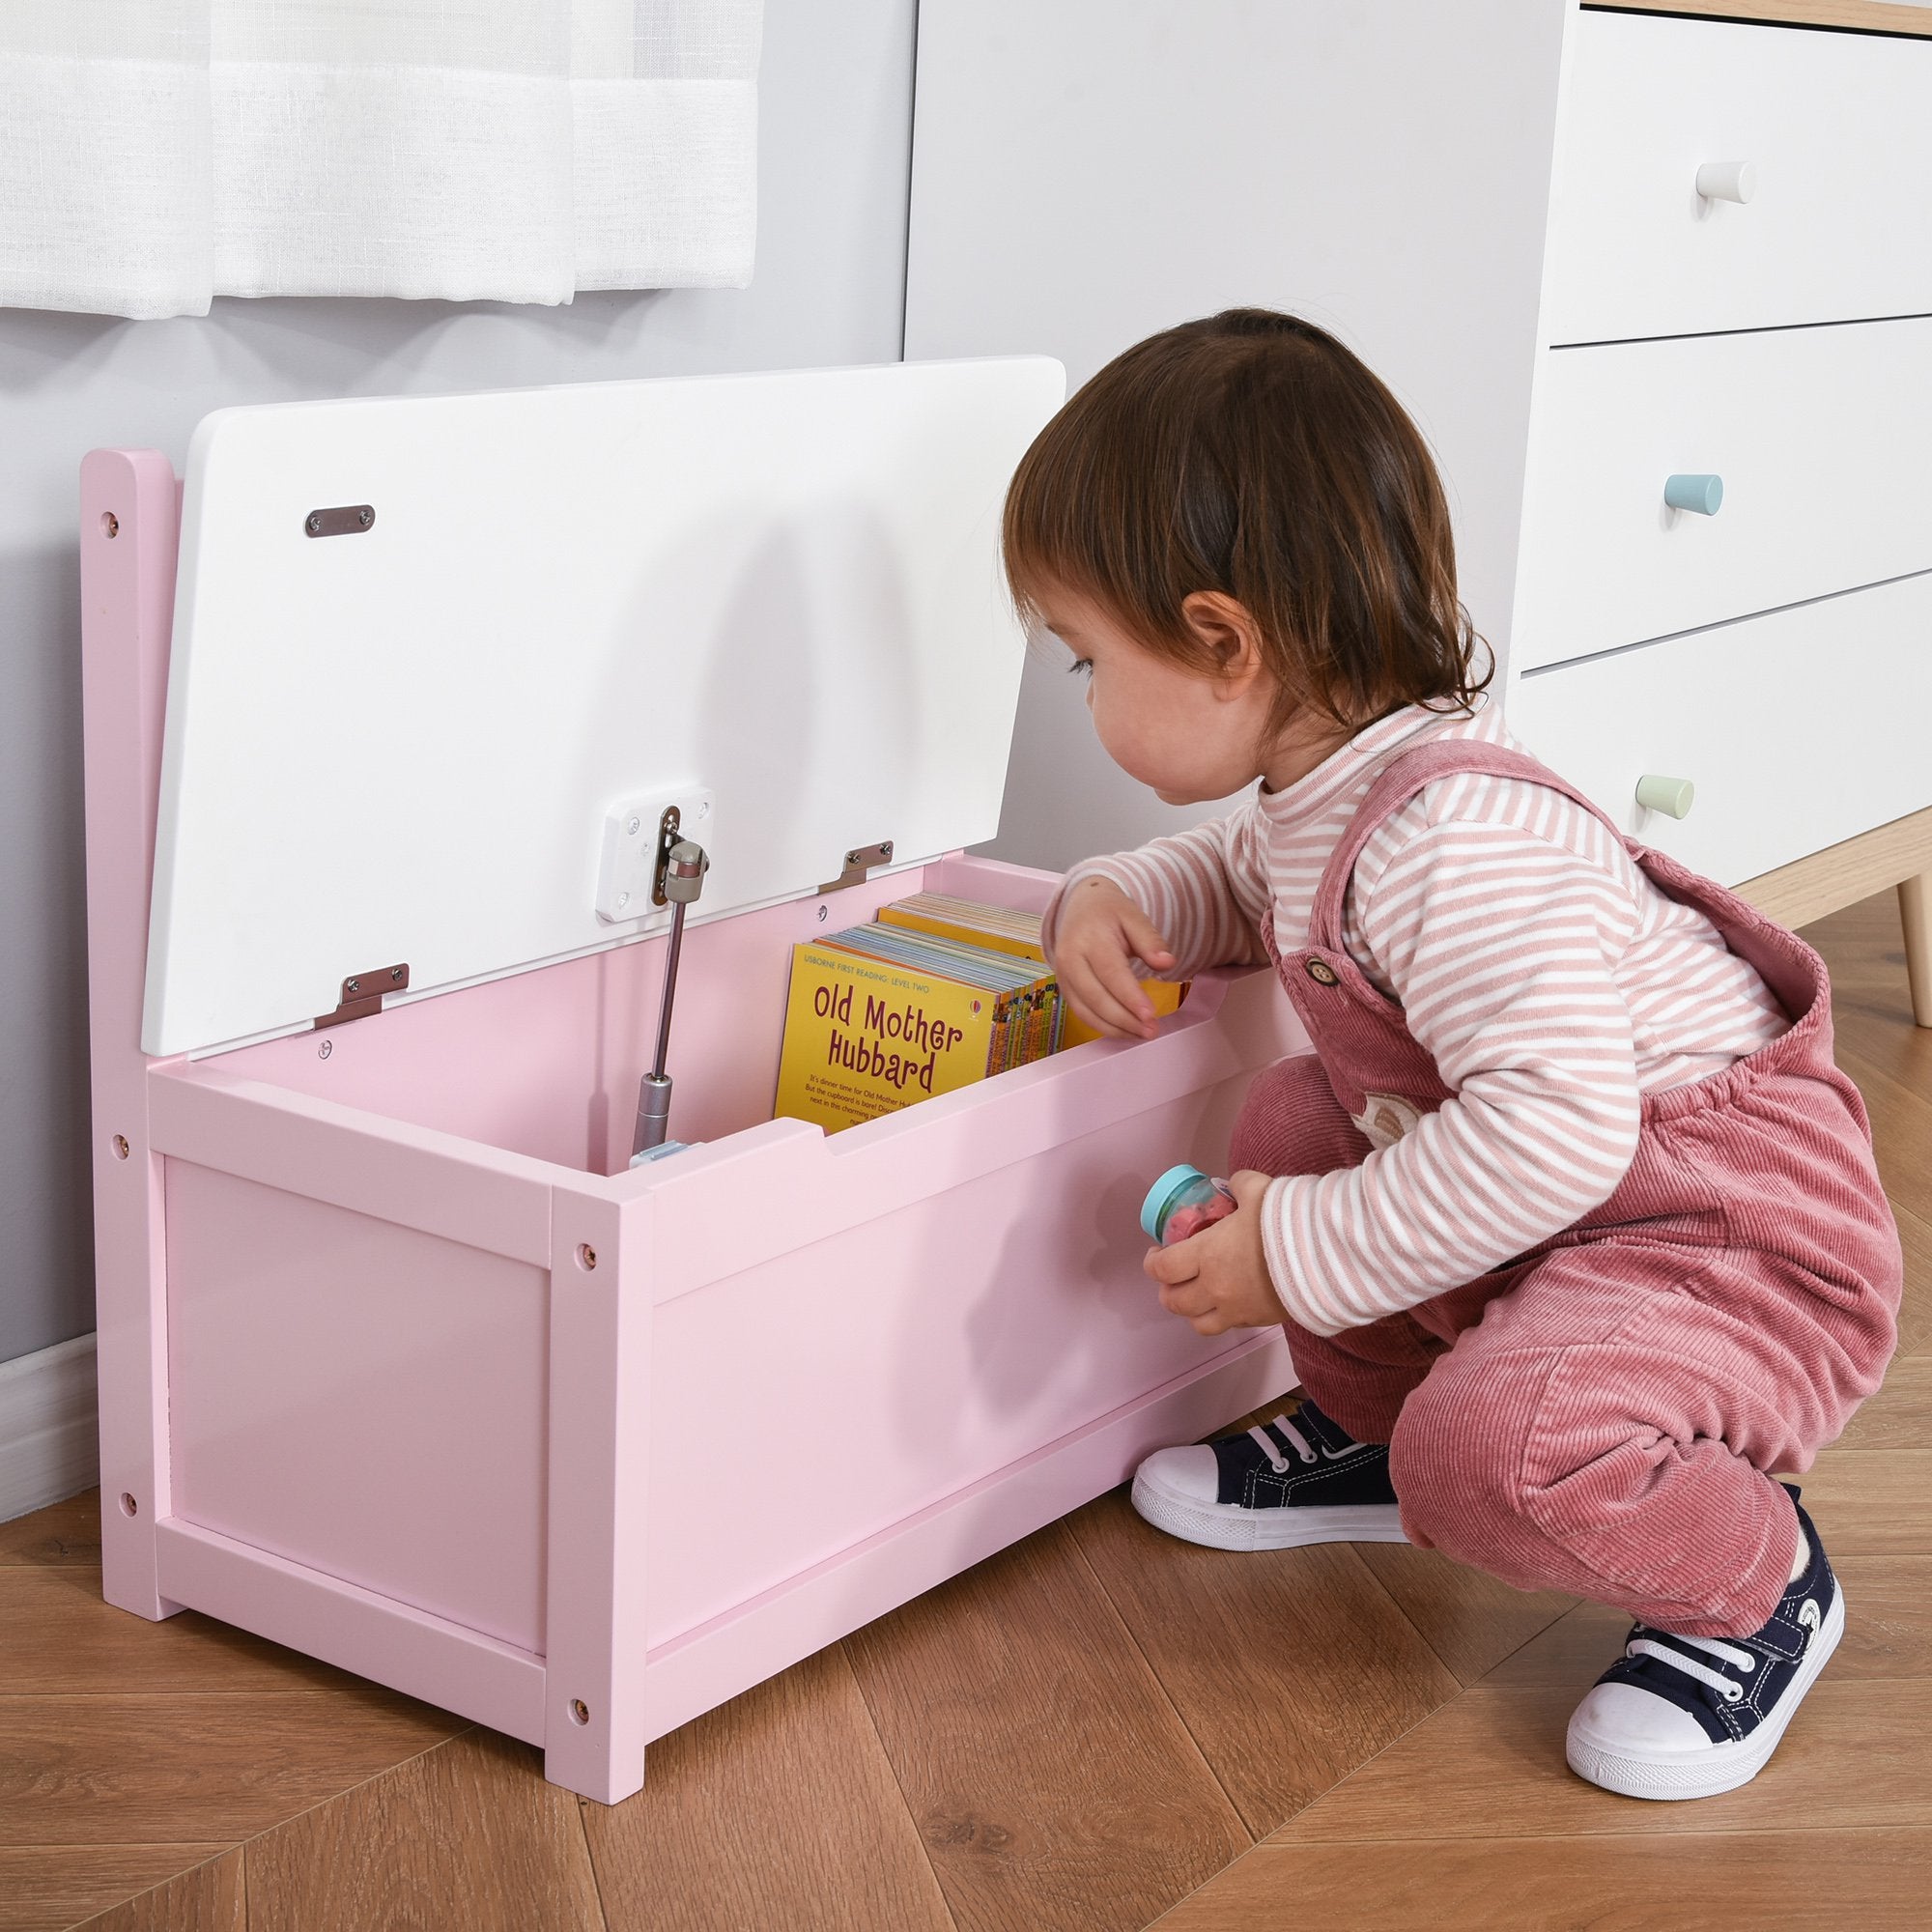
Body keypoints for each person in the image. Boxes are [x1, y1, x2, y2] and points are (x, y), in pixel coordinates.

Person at [1014, 308, 1901, 1802]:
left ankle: (1756, 1579)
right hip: (1593, 1206)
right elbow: (1253, 881)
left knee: (1491, 1441)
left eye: (1084, 659)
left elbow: (1556, 1139)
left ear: (1222, 642)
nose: (1082, 693)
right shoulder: (1330, 782)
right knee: (1305, 1111)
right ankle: (1383, 1438)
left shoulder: (1457, 840)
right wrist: (1121, 895)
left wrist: (1293, 1253)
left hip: (1725, 1232)